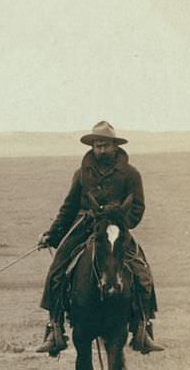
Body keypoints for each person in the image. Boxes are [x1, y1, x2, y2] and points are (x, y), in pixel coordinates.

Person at [35, 121, 163, 355]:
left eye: (105, 145)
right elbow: (69, 206)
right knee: (56, 271)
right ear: (92, 147)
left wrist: (121, 221)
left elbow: (138, 207)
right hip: (84, 227)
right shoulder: (81, 173)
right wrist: (52, 235)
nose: (101, 150)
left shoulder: (131, 174)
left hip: (116, 230)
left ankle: (143, 328)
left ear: (115, 146)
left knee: (143, 273)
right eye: (97, 145)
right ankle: (54, 329)